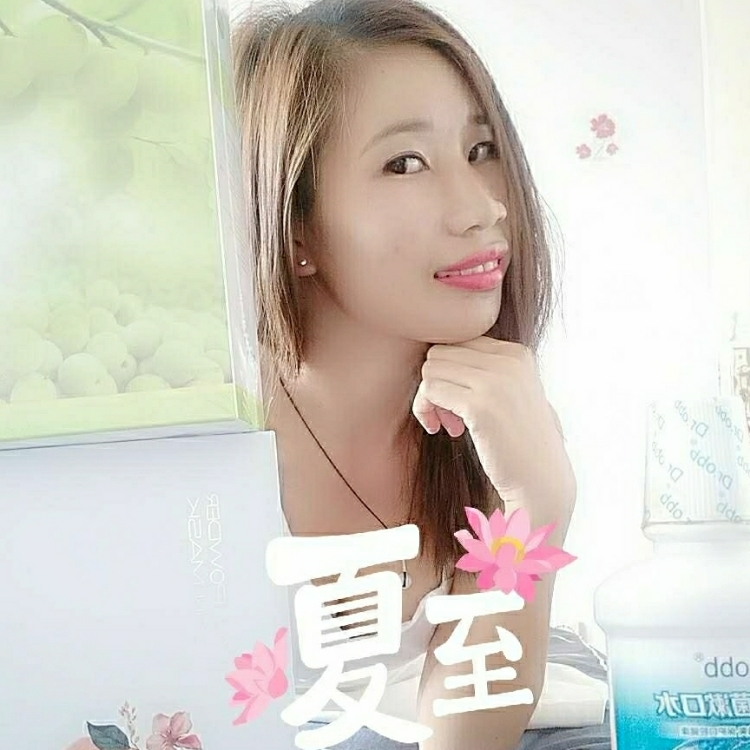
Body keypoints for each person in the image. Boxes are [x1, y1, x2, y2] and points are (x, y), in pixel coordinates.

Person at [231, 1, 610, 748]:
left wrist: (532, 508)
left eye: (480, 149)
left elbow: (467, 736)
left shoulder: (485, 423)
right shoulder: (214, 452)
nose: (482, 209)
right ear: (294, 223)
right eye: (405, 163)